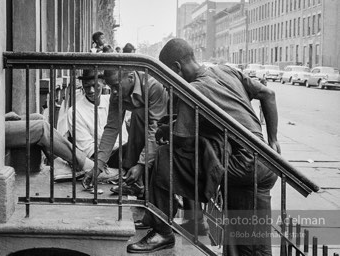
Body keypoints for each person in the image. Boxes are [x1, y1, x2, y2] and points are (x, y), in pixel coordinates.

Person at [127, 38, 280, 255]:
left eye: (166, 76)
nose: (167, 83)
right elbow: (268, 94)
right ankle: (175, 220)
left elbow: (182, 139)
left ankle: (162, 230)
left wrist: (165, 131)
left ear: (176, 68)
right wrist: (273, 141)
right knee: (249, 238)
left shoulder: (193, 90)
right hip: (266, 159)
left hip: (243, 165)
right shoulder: (225, 70)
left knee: (164, 158)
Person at [82, 69, 169, 197]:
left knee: (138, 114)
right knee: (138, 115)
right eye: (111, 87)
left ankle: (141, 180)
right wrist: (98, 167)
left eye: (116, 86)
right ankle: (136, 182)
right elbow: (112, 128)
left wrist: (141, 164)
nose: (114, 92)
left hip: (167, 130)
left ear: (131, 77)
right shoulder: (117, 93)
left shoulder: (153, 85)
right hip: (151, 133)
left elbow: (154, 128)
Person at [67, 69, 128, 169]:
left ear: (103, 84)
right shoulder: (75, 111)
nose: (91, 90)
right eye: (87, 86)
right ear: (82, 85)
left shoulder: (112, 100)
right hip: (103, 157)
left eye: (95, 86)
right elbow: (87, 147)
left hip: (125, 150)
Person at [5, 112, 94, 177]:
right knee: (41, 127)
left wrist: (3, 116)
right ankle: (84, 163)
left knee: (38, 117)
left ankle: (58, 164)